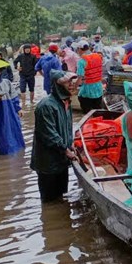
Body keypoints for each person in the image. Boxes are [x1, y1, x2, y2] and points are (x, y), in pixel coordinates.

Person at [31, 70, 78, 203]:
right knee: (49, 201)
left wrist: (71, 144)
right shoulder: (46, 106)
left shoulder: (66, 103)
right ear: (58, 85)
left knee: (61, 196)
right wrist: (66, 150)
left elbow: (67, 128)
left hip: (62, 159)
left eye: (72, 82)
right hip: (48, 162)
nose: (71, 85)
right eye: (67, 82)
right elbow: (49, 135)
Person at [0, 65, 26, 156]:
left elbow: (14, 96)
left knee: (14, 133)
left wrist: (18, 109)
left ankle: (17, 155)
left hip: (9, 112)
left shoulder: (6, 82)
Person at [75, 41, 105, 113]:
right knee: (98, 110)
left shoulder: (81, 61)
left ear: (80, 49)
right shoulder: (98, 56)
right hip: (99, 88)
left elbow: (80, 78)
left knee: (86, 111)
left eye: (77, 49)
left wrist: (74, 87)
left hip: (88, 90)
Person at [13, 44, 38, 108]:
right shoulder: (20, 56)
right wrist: (17, 67)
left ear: (30, 49)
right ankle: (23, 103)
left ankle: (31, 102)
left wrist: (34, 73)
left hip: (31, 75)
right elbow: (15, 62)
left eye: (28, 49)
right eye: (26, 49)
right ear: (24, 49)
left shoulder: (33, 56)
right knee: (22, 89)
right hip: (22, 75)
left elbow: (36, 65)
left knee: (31, 89)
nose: (27, 50)